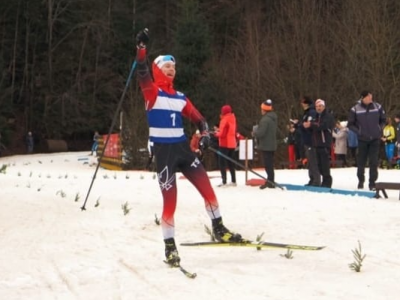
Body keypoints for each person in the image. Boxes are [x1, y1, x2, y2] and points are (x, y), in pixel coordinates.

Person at [135, 28, 242, 267]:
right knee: (170, 204)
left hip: (183, 150)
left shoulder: (180, 96)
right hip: (164, 154)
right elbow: (141, 71)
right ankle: (170, 248)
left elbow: (200, 119)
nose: (172, 69)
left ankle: (218, 228)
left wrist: (205, 135)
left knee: (209, 191)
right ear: (157, 70)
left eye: (174, 67)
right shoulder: (152, 92)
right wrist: (141, 48)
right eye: (166, 67)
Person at [348, 91, 386, 190]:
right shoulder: (355, 109)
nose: (370, 98)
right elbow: (350, 124)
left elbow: (383, 120)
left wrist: (379, 129)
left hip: (375, 139)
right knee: (361, 161)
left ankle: (372, 182)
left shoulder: (377, 107)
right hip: (362, 139)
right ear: (363, 98)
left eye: (371, 96)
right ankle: (361, 180)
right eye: (368, 97)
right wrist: (359, 132)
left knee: (373, 161)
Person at [304, 99, 335, 187]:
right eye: (317, 106)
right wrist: (306, 126)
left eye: (320, 106)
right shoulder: (315, 116)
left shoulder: (328, 116)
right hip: (316, 144)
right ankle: (321, 181)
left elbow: (323, 126)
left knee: (325, 165)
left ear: (324, 106)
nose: (318, 108)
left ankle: (327, 182)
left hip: (325, 143)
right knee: (319, 165)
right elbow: (313, 126)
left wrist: (311, 125)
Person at [292, 96, 321, 186]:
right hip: (306, 139)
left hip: (311, 140)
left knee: (313, 161)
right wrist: (298, 125)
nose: (301, 104)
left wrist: (299, 125)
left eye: (303, 102)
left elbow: (308, 126)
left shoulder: (311, 112)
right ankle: (312, 179)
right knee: (310, 161)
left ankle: (316, 180)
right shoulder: (306, 113)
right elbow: (303, 125)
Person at [253, 99, 277, 189]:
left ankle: (270, 181)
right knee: (270, 164)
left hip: (266, 145)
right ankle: (271, 180)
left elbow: (261, 133)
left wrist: (254, 133)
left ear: (264, 109)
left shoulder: (265, 120)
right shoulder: (273, 118)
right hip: (272, 144)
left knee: (268, 165)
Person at [214, 105, 237, 187]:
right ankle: (234, 181)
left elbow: (222, 133)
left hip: (224, 143)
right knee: (231, 162)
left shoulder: (224, 119)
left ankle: (224, 181)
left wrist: (216, 133)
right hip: (232, 143)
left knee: (222, 162)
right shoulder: (233, 118)